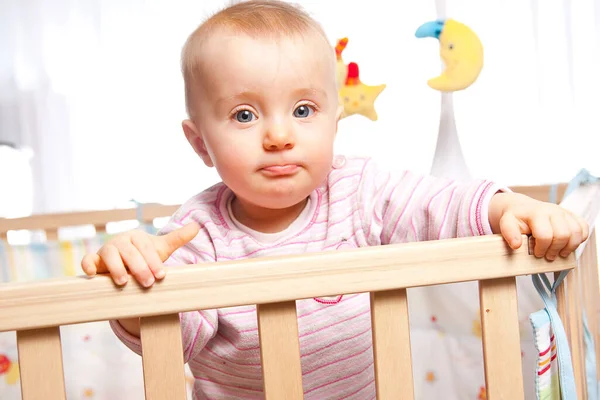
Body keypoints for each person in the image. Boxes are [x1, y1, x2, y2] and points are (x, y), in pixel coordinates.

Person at [81, 1, 589, 398]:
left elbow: (437, 205)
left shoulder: (358, 192)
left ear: (334, 119)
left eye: (303, 109)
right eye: (243, 115)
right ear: (200, 143)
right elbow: (175, 338)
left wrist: (507, 208)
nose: (279, 135)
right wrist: (137, 281)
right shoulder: (198, 232)